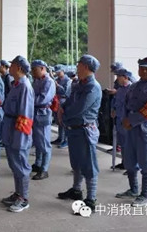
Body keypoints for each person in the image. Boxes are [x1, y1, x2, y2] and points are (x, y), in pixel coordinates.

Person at [115, 57, 147, 207]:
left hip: (146, 129)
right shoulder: (134, 85)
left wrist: (131, 120)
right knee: (129, 161)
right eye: (141, 68)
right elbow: (126, 104)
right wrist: (124, 119)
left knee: (146, 163)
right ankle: (133, 189)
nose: (143, 71)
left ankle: (145, 195)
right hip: (130, 128)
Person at [57, 55, 102, 211]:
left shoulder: (93, 87)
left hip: (85, 130)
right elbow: (70, 100)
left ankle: (91, 198)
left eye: (79, 65)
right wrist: (63, 108)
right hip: (74, 129)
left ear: (86, 67)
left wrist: (65, 113)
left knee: (89, 165)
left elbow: (80, 108)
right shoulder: (79, 84)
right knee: (76, 162)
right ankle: (76, 190)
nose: (77, 67)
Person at [0, 55, 34, 213]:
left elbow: (25, 115)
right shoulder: (16, 84)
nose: (9, 67)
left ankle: (24, 198)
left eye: (12, 65)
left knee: (21, 165)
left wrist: (20, 138)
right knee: (14, 165)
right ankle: (18, 193)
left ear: (19, 68)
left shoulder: (25, 86)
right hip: (10, 128)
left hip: (18, 131)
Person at [30, 60, 56, 180]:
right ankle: (38, 164)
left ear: (42, 68)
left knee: (44, 143)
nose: (33, 73)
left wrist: (28, 101)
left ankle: (44, 169)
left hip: (43, 113)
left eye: (35, 70)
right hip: (35, 113)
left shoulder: (49, 82)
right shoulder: (37, 81)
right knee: (37, 141)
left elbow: (43, 99)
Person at [111, 68, 133, 169]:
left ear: (125, 77)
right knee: (122, 143)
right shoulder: (120, 90)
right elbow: (116, 102)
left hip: (127, 120)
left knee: (129, 143)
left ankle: (130, 164)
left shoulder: (132, 89)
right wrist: (113, 109)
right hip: (119, 119)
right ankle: (124, 162)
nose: (117, 79)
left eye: (119, 77)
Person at [52, 65, 71, 148]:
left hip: (63, 100)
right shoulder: (57, 80)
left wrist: (58, 86)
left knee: (63, 121)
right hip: (57, 100)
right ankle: (60, 138)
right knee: (58, 121)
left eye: (59, 72)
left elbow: (66, 92)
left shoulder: (67, 80)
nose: (58, 74)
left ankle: (66, 140)